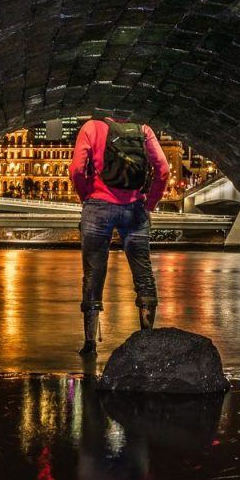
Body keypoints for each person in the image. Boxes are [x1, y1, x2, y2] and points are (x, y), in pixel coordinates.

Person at [69, 114, 170, 356]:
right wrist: (149, 205)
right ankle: (146, 338)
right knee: (143, 275)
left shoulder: (91, 127)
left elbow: (76, 170)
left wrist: (87, 198)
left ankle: (90, 345)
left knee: (93, 275)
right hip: (135, 209)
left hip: (97, 209)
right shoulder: (144, 129)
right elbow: (163, 170)